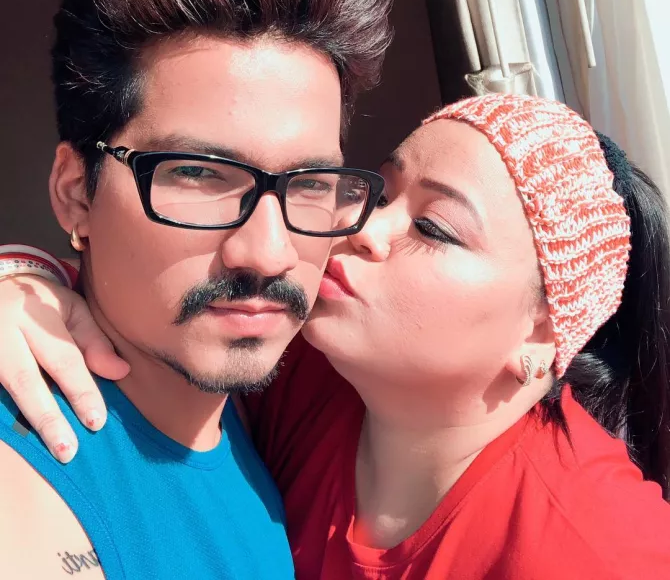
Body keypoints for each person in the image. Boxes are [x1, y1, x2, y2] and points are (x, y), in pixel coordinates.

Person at [3, 94, 670, 579]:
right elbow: (134, 300)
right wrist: (23, 277)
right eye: (380, 194)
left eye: (433, 228)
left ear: (543, 330)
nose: (364, 229)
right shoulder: (298, 367)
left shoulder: (602, 547)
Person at [0, 0, 392, 579]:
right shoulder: (29, 475)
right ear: (75, 193)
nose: (267, 255)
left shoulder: (285, 412)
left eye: (310, 183)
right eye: (198, 174)